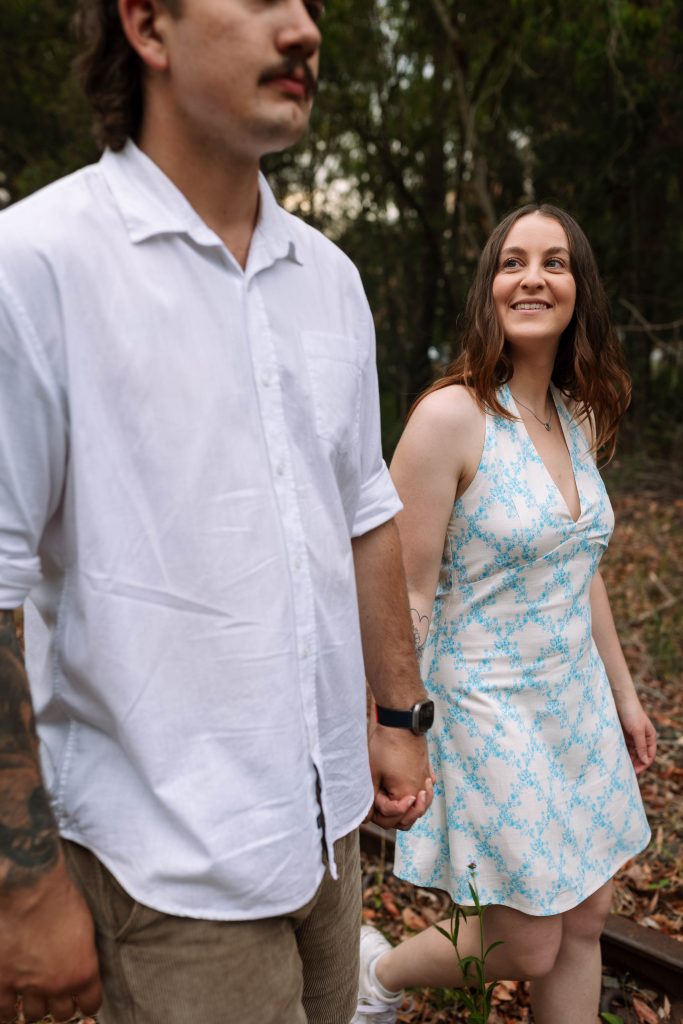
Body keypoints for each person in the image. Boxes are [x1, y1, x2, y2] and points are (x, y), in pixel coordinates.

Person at [0, 2, 435, 1023]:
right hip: (165, 867)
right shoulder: (35, 266)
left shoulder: (330, 280)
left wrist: (395, 717)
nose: (303, 28)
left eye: (311, 4)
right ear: (147, 25)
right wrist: (22, 884)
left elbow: (363, 509)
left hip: (326, 828)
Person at [353, 204, 656, 1024]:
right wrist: (390, 722)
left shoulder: (575, 413)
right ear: (488, 287)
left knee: (584, 917)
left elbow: (577, 565)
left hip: (574, 702)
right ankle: (375, 977)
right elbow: (403, 592)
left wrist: (624, 696)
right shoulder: (449, 417)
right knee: (525, 940)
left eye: (554, 262)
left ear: (577, 289)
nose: (532, 277)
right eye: (512, 261)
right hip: (486, 706)